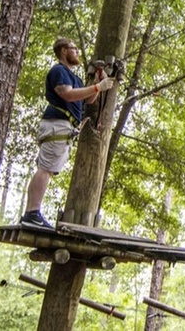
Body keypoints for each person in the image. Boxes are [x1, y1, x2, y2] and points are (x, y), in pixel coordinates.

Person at [19, 38, 115, 229]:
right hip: (57, 124)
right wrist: (97, 87)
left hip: (63, 126)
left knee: (47, 168)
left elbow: (87, 100)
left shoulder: (75, 77)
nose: (77, 52)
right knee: (46, 169)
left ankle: (32, 212)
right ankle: (31, 212)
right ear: (64, 51)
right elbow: (68, 94)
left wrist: (97, 83)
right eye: (74, 49)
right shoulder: (59, 71)